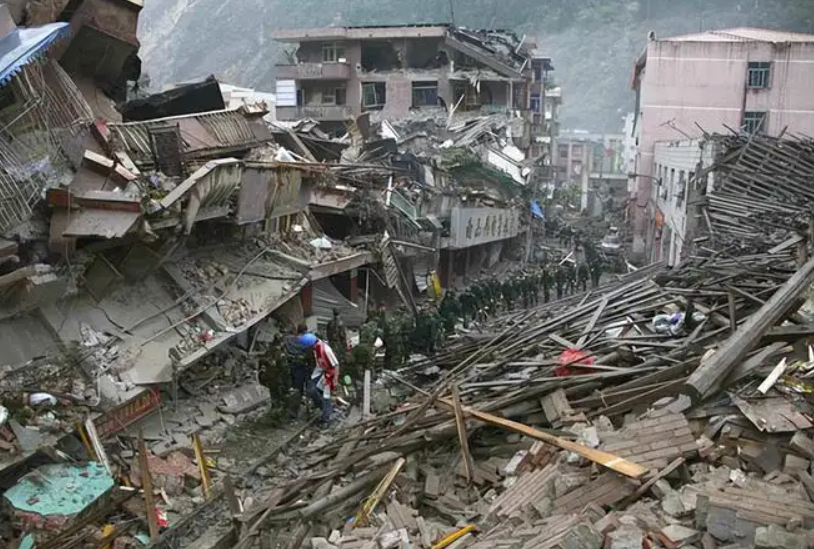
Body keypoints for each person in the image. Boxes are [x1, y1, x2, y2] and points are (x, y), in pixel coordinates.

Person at [284, 324, 318, 416]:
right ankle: (309, 410)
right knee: (309, 389)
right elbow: (311, 355)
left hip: (294, 367)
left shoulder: (288, 340)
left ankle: (294, 411)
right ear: (305, 331)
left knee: (297, 390)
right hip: (306, 367)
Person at [309, 338, 339, 426]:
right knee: (312, 391)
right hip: (319, 373)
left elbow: (336, 365)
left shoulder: (326, 350)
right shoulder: (315, 350)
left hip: (329, 375)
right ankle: (324, 409)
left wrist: (335, 379)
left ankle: (326, 418)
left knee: (326, 396)